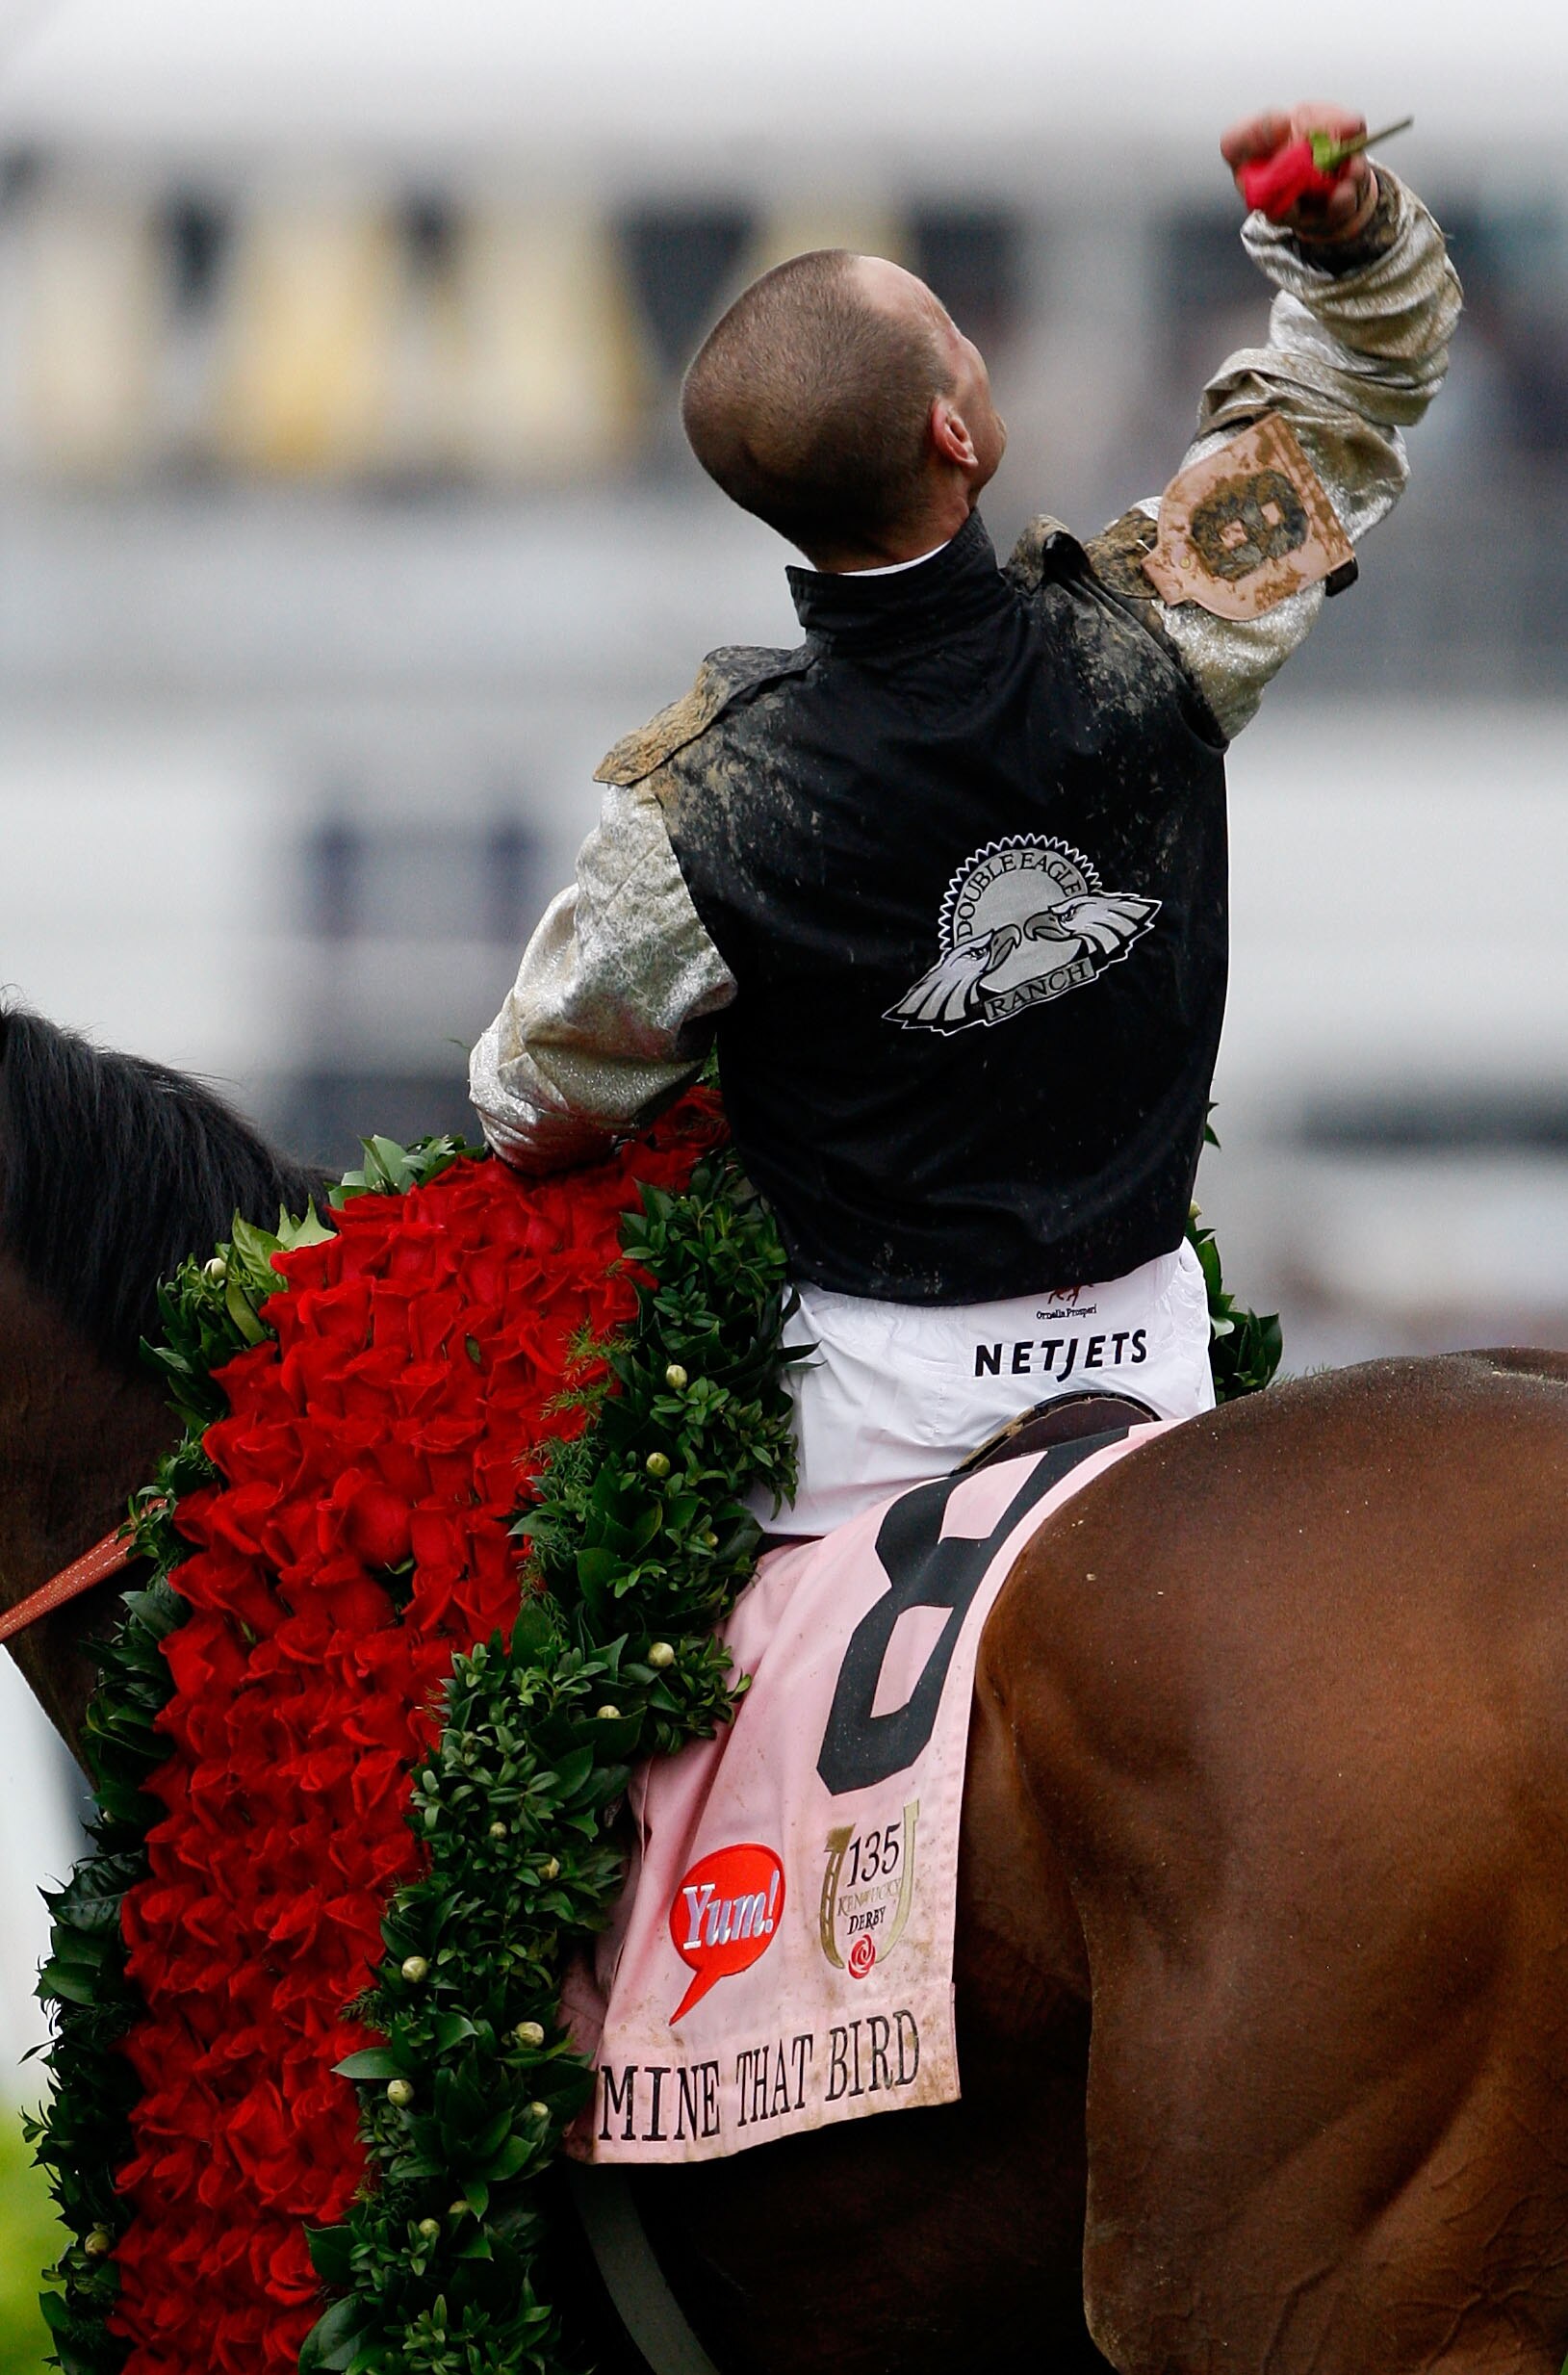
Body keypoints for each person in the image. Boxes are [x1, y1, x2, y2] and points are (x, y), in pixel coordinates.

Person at [470, 105, 1462, 1536]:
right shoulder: (1164, 626)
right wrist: (1343, 230)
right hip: (1156, 1376)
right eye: (963, 340)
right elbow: (1360, 389)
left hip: (865, 1423)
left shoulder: (698, 807)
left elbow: (533, 1100)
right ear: (957, 431)